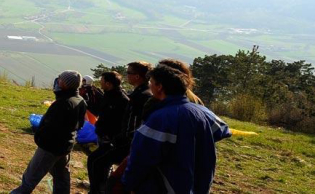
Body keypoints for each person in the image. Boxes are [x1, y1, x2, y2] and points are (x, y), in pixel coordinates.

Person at [122, 65, 231, 193]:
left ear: (159, 87)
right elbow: (223, 131)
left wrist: (128, 184)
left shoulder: (161, 118)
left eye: (151, 82)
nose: (149, 86)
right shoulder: (203, 112)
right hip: (198, 184)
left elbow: (141, 157)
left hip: (166, 185)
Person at [11, 70, 87, 194]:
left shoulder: (64, 103)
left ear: (65, 84)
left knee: (29, 179)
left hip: (50, 147)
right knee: (61, 178)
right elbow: (79, 124)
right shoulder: (80, 100)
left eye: (61, 79)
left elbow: (51, 126)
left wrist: (40, 138)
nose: (58, 81)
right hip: (65, 145)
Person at [104, 61, 153, 193]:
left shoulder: (141, 96)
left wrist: (123, 139)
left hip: (130, 144)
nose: (126, 75)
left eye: (129, 73)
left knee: (101, 163)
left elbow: (135, 122)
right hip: (132, 142)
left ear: (137, 76)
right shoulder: (143, 93)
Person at [86, 72, 130, 193]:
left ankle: (98, 190)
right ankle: (100, 188)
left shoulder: (122, 100)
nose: (100, 82)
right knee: (103, 166)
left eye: (102, 81)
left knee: (96, 162)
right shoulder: (107, 95)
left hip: (111, 139)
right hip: (103, 135)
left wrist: (112, 137)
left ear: (109, 84)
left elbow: (122, 123)